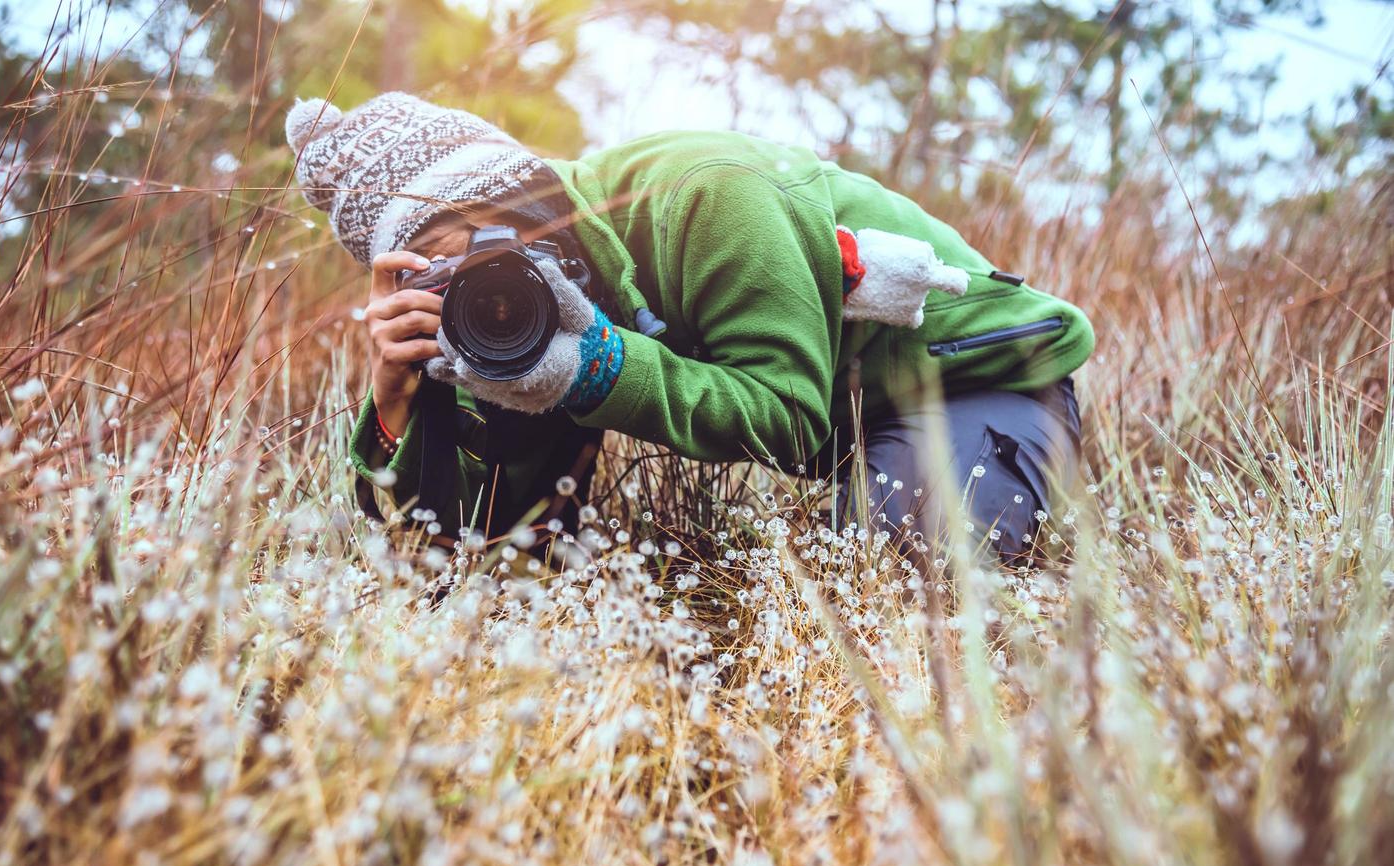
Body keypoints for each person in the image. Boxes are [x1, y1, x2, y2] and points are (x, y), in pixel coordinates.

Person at [284, 92, 1091, 565]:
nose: (463, 281)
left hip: (974, 381)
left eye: (446, 247)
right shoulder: (504, 316)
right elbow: (483, 543)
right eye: (417, 269)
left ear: (512, 198)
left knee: (901, 576)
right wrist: (396, 406)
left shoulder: (705, 193)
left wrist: (595, 371)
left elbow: (787, 413)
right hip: (839, 417)